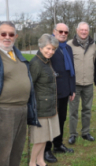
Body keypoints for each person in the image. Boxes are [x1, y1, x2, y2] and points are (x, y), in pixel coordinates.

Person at [0, 21, 40, 166]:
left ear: (15, 36)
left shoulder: (18, 55)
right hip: (2, 113)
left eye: (11, 34)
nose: (7, 37)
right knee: (0, 155)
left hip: (22, 111)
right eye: (3, 33)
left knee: (16, 152)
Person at [44, 23, 76, 163]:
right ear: (54, 31)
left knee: (61, 119)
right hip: (52, 91)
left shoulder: (68, 48)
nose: (63, 34)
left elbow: (71, 71)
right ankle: (46, 149)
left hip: (64, 91)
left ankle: (58, 144)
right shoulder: (49, 47)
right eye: (60, 31)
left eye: (66, 32)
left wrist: (72, 89)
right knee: (49, 121)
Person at [29, 34, 60, 166]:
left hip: (50, 107)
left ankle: (40, 161)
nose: (50, 52)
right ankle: (31, 163)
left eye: (53, 49)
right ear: (41, 47)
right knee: (40, 139)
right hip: (41, 108)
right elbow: (30, 87)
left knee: (46, 138)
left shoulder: (47, 62)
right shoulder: (36, 63)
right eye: (48, 48)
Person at [67, 22, 96, 144]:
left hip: (88, 82)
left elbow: (95, 61)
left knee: (87, 109)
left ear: (88, 31)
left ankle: (86, 132)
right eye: (81, 30)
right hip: (75, 84)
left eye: (86, 30)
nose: (84, 32)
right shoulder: (69, 45)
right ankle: (73, 133)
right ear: (77, 30)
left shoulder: (93, 45)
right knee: (73, 111)